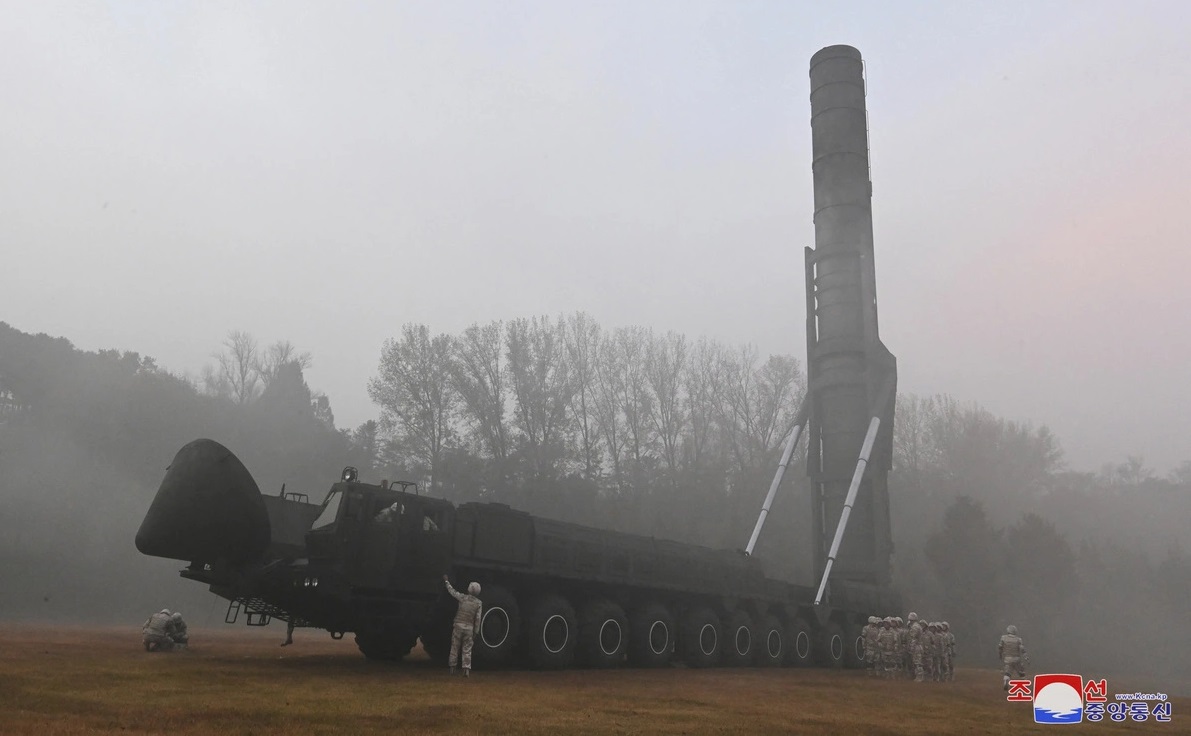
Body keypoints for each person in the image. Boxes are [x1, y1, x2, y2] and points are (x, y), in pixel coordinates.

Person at [443, 574, 482, 677]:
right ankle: (466, 669)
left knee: (455, 647)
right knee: (467, 649)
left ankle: (452, 668)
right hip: (469, 628)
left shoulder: (463, 598)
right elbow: (477, 619)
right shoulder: (478, 603)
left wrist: (447, 581)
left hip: (458, 625)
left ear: (469, 589)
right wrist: (476, 632)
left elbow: (452, 592)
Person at [998, 624, 1028, 691]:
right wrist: (1026, 657)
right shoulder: (1018, 639)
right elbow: (1022, 649)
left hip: (1007, 658)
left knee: (1007, 671)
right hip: (1017, 658)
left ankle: (1006, 680)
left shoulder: (1003, 638)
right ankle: (1024, 684)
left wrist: (1000, 655)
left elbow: (1000, 647)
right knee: (1021, 672)